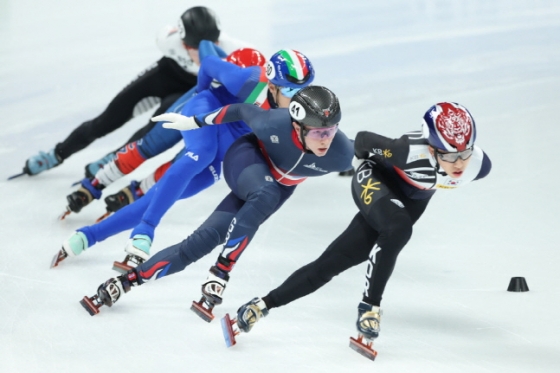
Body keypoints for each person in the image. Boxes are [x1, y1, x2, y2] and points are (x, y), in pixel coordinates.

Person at [226, 102, 492, 347]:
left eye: (464, 153)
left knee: (331, 263)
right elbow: (363, 140)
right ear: (432, 148)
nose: (459, 163)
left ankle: (260, 305)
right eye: (449, 155)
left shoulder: (478, 165)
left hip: (410, 201)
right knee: (398, 228)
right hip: (374, 179)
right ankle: (370, 309)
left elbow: (459, 165)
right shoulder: (406, 151)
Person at [79, 85, 354, 319]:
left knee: (203, 240)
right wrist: (194, 122)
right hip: (247, 160)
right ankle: (221, 272)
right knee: (266, 194)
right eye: (318, 133)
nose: (325, 139)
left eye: (331, 131)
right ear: (297, 126)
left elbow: (378, 150)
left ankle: (124, 282)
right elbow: (239, 110)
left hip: (276, 188)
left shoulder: (342, 153)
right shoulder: (273, 122)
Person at [53, 49, 316, 270]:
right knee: (201, 152)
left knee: (173, 192)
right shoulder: (247, 80)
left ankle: (87, 237)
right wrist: (199, 93)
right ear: (271, 85)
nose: (299, 98)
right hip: (206, 107)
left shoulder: (295, 109)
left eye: (304, 89)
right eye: (292, 91)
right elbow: (209, 64)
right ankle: (145, 230)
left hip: (230, 135)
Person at [17, 6, 248, 178]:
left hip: (191, 88)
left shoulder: (232, 50)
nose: (204, 51)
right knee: (107, 119)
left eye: (211, 43)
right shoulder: (167, 41)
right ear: (183, 43)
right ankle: (56, 154)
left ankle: (111, 161)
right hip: (166, 74)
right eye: (195, 48)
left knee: (154, 128)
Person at [59, 43, 265, 216]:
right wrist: (201, 91)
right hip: (199, 106)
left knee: (183, 161)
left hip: (217, 120)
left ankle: (138, 190)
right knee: (150, 145)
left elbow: (206, 50)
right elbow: (206, 50)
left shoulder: (266, 94)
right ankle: (98, 182)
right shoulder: (242, 78)